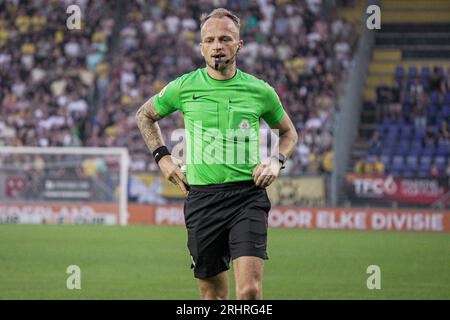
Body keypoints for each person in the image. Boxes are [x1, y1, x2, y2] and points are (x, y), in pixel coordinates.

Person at [135, 8, 298, 300]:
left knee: (248, 292)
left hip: (247, 196)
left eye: (225, 38)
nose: (217, 46)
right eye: (209, 40)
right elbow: (144, 116)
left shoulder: (260, 91)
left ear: (239, 44)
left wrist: (276, 161)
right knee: (213, 297)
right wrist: (163, 157)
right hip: (202, 200)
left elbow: (289, 133)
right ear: (201, 47)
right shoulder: (184, 87)